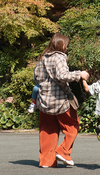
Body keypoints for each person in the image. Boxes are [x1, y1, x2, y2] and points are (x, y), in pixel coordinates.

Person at [33, 33, 89, 168]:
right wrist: (79, 74)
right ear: (62, 44)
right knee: (72, 125)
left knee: (47, 130)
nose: (67, 47)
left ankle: (47, 161)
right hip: (59, 100)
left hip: (44, 100)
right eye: (66, 45)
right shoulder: (59, 57)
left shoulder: (42, 58)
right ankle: (63, 151)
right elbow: (62, 75)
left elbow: (36, 78)